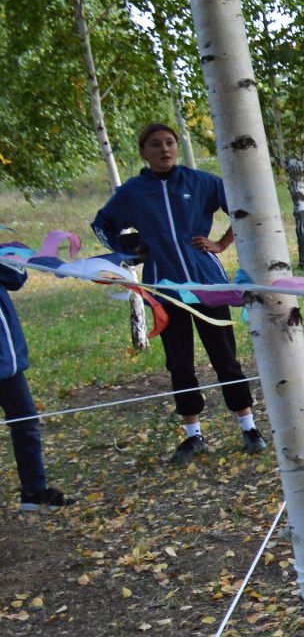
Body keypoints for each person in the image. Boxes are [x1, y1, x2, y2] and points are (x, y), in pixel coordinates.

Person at [92, 123, 265, 464]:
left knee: (225, 357)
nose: (164, 149)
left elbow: (244, 210)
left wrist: (221, 243)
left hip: (206, 284)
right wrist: (130, 249)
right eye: (155, 145)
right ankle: (193, 434)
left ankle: (249, 427)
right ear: (143, 152)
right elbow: (102, 224)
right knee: (180, 362)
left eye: (170, 143)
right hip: (164, 288)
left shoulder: (200, 181)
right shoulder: (133, 191)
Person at [0, 255, 68, 512]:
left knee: (25, 421)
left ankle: (34, 491)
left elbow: (16, 278)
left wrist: (9, 255)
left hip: (8, 361)